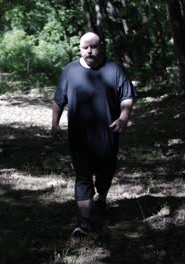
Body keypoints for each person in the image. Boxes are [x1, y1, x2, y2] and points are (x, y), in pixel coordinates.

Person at [51, 32, 136, 237]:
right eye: (85, 47)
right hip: (79, 136)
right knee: (83, 177)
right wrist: (54, 124)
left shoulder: (114, 69)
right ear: (79, 48)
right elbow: (58, 100)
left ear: (101, 47)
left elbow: (127, 96)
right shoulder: (69, 71)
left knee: (105, 173)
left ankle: (102, 198)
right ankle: (85, 223)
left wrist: (124, 117)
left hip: (108, 133)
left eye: (93, 46)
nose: (89, 50)